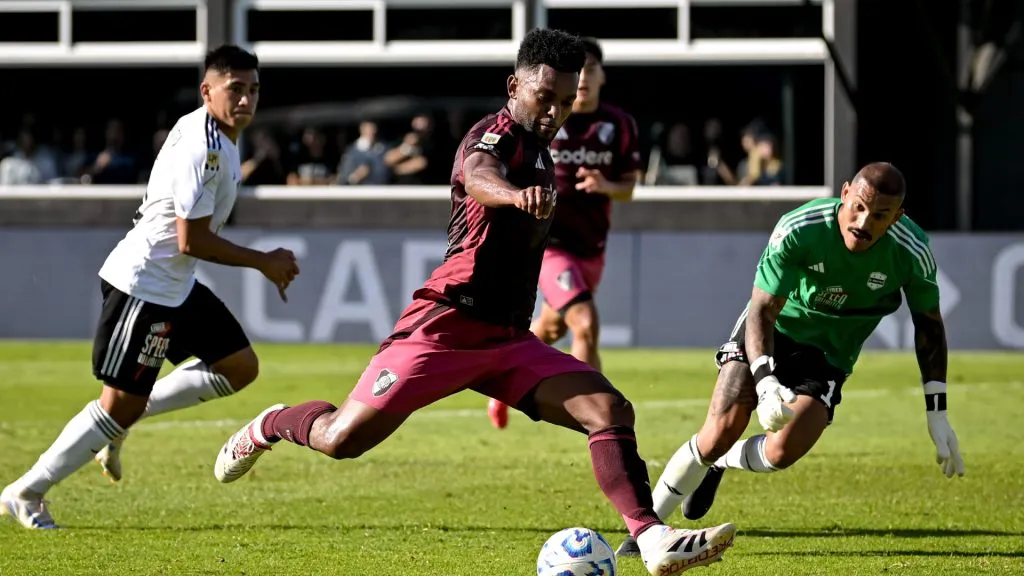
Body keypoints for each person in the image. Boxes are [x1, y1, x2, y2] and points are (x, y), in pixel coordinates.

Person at [212, 29, 736, 576]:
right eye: (544, 97)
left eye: (565, 100)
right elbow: (478, 176)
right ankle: (271, 424)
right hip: (444, 327)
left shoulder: (542, 148)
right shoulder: (494, 134)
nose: (554, 111)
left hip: (506, 339)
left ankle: (651, 540)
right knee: (341, 439)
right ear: (515, 85)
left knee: (609, 411)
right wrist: (513, 195)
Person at [0, 45, 300, 530]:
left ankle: (124, 419)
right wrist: (262, 261)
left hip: (175, 285)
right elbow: (191, 238)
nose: (246, 100)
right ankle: (26, 492)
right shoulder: (203, 146)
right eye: (235, 89)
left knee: (239, 367)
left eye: (253, 90)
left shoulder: (224, 134)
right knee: (118, 403)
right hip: (143, 287)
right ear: (208, 91)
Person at [616, 162, 965, 557]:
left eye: (880, 215)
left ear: (897, 217)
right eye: (859, 207)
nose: (864, 222)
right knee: (719, 430)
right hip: (773, 331)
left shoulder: (911, 250)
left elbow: (930, 327)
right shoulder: (801, 226)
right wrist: (766, 384)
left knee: (782, 452)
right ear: (846, 192)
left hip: (830, 355)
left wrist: (937, 412)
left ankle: (723, 463)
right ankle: (643, 534)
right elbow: (762, 309)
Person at [487, 36, 642, 430]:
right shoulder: (549, 116)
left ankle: (501, 376)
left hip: (592, 247)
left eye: (592, 70)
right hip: (551, 244)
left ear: (602, 75)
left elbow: (629, 186)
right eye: (580, 71)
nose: (585, 79)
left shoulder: (619, 125)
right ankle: (600, 419)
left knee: (552, 327)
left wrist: (606, 186)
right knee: (585, 323)